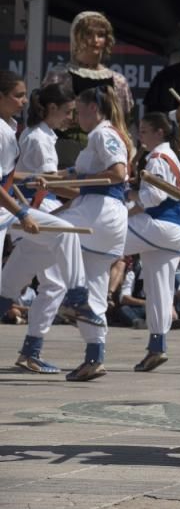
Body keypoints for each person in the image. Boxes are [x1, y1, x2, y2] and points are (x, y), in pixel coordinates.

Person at [0, 71, 90, 375]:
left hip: (17, 214)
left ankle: (30, 352)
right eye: (67, 112)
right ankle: (79, 297)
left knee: (14, 284)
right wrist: (89, 190)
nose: (70, 118)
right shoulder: (31, 137)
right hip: (21, 213)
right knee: (65, 240)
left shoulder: (21, 132)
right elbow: (42, 186)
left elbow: (18, 178)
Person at [43, 85, 133, 380]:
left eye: (80, 112)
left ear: (93, 109)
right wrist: (56, 177)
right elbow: (85, 175)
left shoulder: (102, 133)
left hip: (100, 209)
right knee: (96, 286)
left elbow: (117, 173)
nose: (77, 118)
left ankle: (74, 299)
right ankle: (94, 356)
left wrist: (73, 178)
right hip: (107, 214)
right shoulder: (105, 135)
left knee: (43, 237)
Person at [123, 112, 180, 372]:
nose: (141, 135)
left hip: (158, 226)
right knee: (158, 290)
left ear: (160, 131)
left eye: (145, 130)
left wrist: (127, 194)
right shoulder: (169, 156)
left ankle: (78, 298)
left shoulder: (158, 158)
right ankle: (157, 346)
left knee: (101, 242)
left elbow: (152, 199)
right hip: (173, 231)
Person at [43, 11, 133, 120]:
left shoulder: (118, 81)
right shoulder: (59, 75)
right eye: (89, 34)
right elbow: (46, 115)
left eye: (100, 35)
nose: (95, 40)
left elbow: (125, 121)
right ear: (76, 37)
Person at [15, 83, 76, 213]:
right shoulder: (40, 139)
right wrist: (85, 195)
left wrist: (72, 171)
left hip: (37, 201)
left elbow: (43, 175)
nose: (71, 118)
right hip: (37, 203)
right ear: (53, 107)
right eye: (68, 112)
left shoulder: (35, 133)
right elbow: (52, 184)